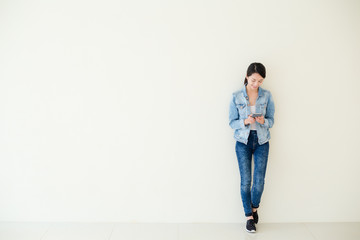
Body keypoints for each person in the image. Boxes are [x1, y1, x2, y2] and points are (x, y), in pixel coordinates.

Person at [228, 62, 275, 233]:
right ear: (247, 76)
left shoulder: (267, 96)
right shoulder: (236, 96)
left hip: (262, 141)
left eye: (260, 81)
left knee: (259, 182)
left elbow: (271, 120)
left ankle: (254, 207)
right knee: (245, 181)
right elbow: (232, 123)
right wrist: (245, 121)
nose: (256, 84)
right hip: (243, 141)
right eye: (253, 80)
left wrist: (264, 121)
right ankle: (249, 217)